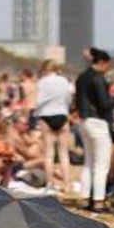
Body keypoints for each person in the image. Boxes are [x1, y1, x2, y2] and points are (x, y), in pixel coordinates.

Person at [75, 49, 114, 212]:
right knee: (101, 164)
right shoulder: (98, 78)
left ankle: (85, 198)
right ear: (101, 62)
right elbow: (104, 104)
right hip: (97, 122)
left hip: (84, 120)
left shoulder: (81, 77)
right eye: (108, 65)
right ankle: (98, 201)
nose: (108, 68)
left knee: (88, 162)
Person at [34, 61, 74, 194]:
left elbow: (38, 101)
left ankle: (50, 184)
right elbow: (69, 98)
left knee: (49, 154)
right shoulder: (64, 81)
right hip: (62, 114)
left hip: (46, 115)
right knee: (64, 153)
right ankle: (67, 184)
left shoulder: (41, 82)